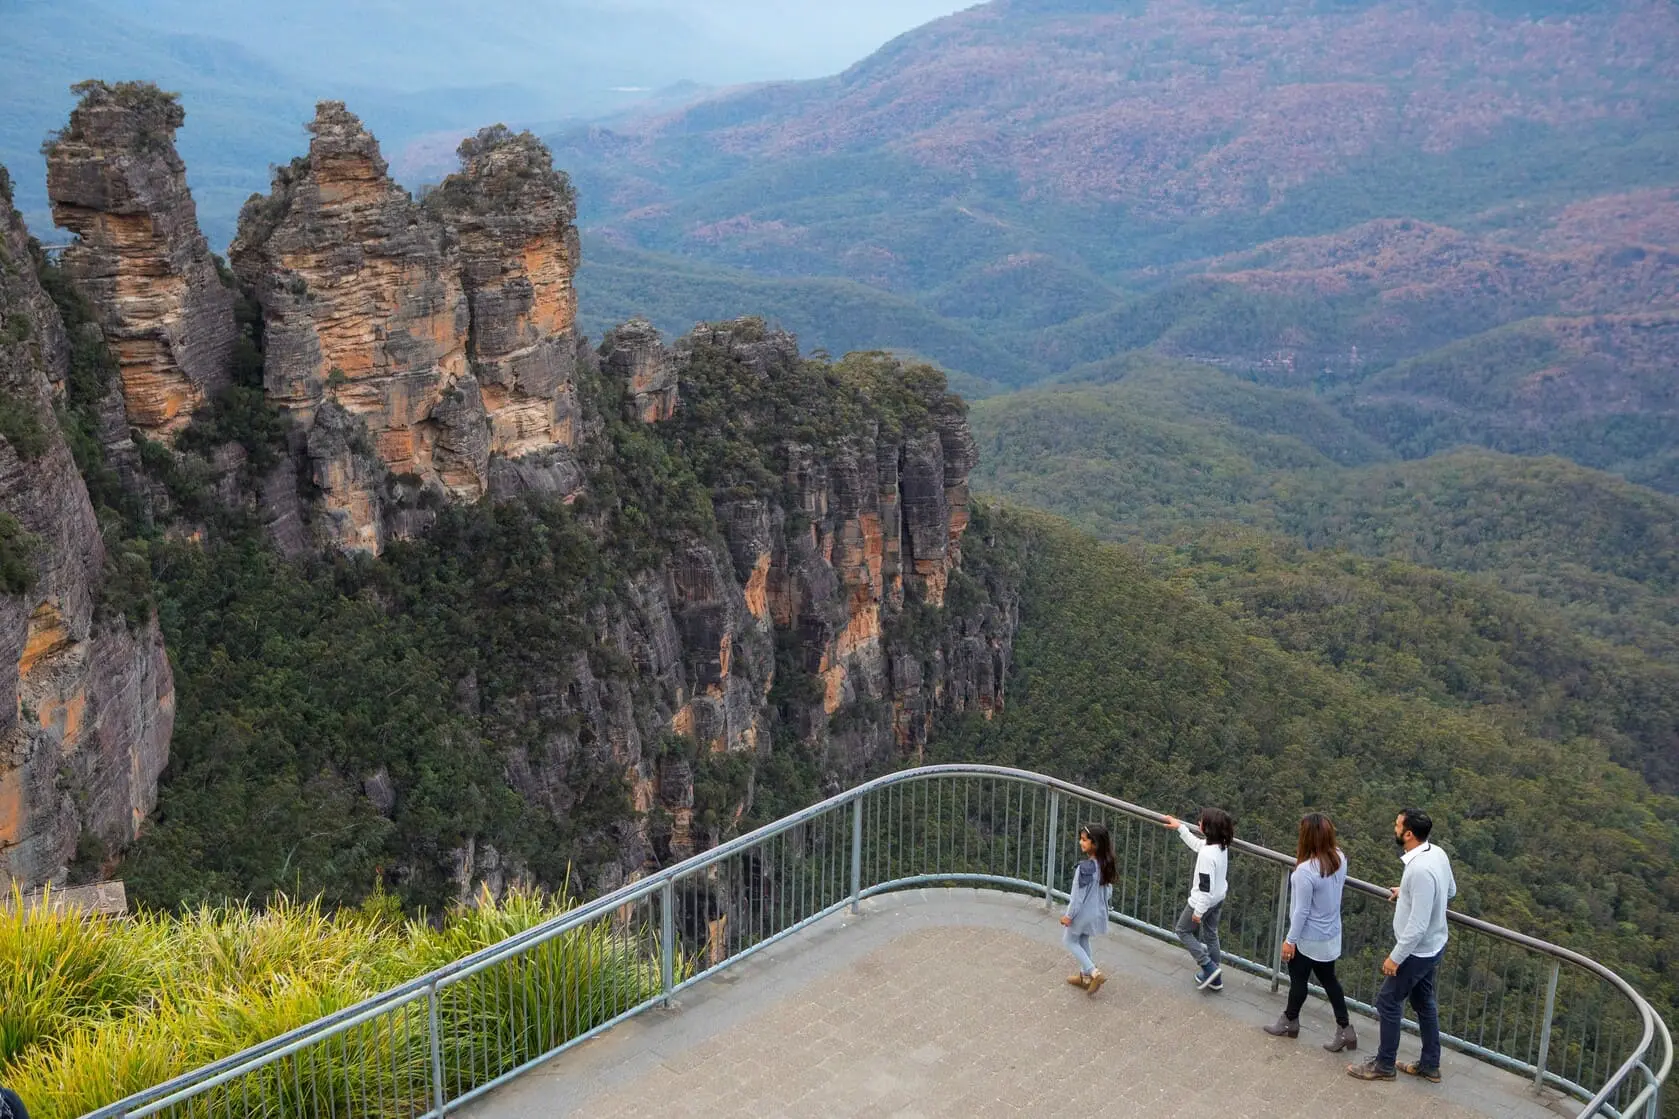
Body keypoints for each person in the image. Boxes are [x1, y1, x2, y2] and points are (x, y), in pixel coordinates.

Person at [1348, 807, 1457, 1084]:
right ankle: (1430, 1065)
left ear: (1409, 834)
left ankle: (1384, 1064)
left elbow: (1417, 926)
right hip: (1435, 944)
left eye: (1397, 826)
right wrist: (1406, 892)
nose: (1394, 828)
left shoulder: (1419, 870)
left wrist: (1395, 958)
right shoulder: (1438, 854)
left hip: (1416, 952)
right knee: (1423, 1002)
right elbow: (1450, 892)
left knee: (1388, 1001)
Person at [1264, 812, 1357, 1052]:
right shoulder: (1339, 858)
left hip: (1308, 937)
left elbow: (1301, 911)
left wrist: (1289, 940)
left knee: (1298, 979)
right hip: (1330, 934)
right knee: (1330, 981)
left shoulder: (1305, 872)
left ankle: (1290, 1021)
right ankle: (1345, 1029)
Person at [1162, 808, 1233, 991]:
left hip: (1203, 901)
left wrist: (1198, 911)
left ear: (1208, 828)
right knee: (1210, 933)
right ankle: (1215, 976)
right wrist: (1180, 827)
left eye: (1201, 821)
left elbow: (1204, 887)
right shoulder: (1220, 847)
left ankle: (1208, 966)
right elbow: (1197, 844)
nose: (1198, 822)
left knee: (1182, 930)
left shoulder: (1207, 856)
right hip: (1218, 898)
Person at [1061, 822, 1117, 995]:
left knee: (1069, 940)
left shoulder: (1084, 869)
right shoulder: (1106, 864)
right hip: (1097, 911)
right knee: (1083, 940)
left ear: (1095, 844)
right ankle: (1084, 977)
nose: (1080, 842)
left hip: (1082, 914)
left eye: (1084, 840)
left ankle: (1094, 972)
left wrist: (1069, 916)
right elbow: (1108, 891)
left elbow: (1077, 898)